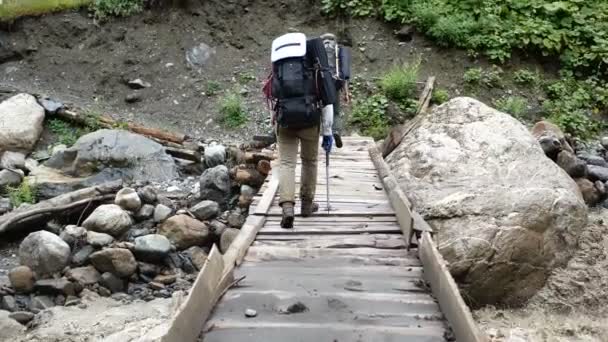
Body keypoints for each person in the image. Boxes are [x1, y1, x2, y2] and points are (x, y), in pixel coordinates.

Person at [277, 105, 333, 228]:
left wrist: (273, 117)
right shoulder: (316, 83)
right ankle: (306, 205)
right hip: (310, 120)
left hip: (286, 119)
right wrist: (327, 131)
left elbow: (271, 94)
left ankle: (287, 207)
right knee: (309, 162)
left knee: (286, 163)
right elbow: (327, 101)